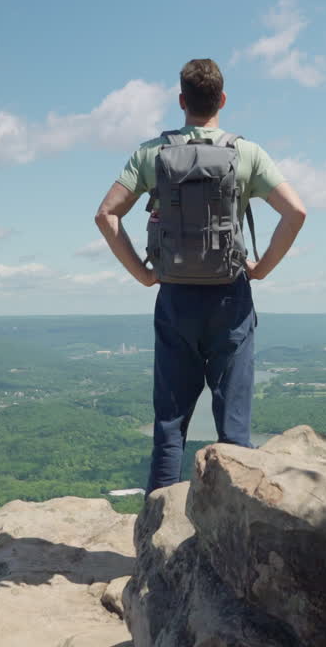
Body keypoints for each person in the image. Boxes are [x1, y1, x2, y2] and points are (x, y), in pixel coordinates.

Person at [94, 58, 307, 494]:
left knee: (170, 426)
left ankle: (156, 536)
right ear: (222, 100)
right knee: (233, 431)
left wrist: (142, 274)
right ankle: (233, 541)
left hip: (175, 297)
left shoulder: (152, 153)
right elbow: (296, 211)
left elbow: (106, 214)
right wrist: (262, 269)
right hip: (230, 298)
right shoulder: (246, 153)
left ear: (181, 101)